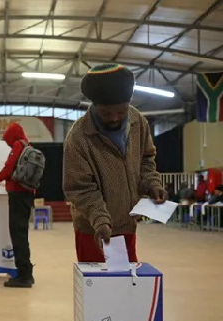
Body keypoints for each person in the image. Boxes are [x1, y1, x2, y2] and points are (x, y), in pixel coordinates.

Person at [63, 63, 167, 263]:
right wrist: (101, 220)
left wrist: (152, 184)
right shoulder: (78, 137)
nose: (114, 118)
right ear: (93, 105)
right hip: (94, 230)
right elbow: (79, 189)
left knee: (127, 285)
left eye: (121, 111)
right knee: (99, 289)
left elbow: (146, 159)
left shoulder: (138, 121)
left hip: (128, 224)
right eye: (106, 113)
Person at [0, 123, 35, 288]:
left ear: (11, 136)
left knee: (18, 235)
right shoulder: (27, 144)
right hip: (26, 194)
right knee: (21, 234)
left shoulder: (18, 145)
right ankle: (27, 272)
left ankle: (24, 276)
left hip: (19, 195)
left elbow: (9, 167)